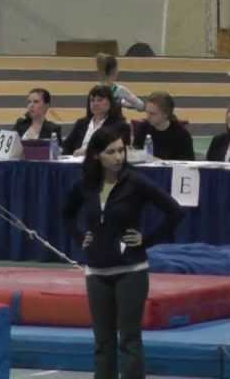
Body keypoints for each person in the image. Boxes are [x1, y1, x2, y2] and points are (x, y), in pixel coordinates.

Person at [62, 124, 183, 379]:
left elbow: (174, 211)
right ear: (96, 155)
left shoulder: (135, 181)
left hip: (131, 271)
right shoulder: (86, 184)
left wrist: (146, 239)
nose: (118, 157)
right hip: (96, 271)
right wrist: (80, 236)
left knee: (129, 339)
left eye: (121, 151)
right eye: (111, 152)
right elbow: (67, 215)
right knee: (103, 342)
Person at [62, 84, 131, 157]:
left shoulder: (120, 126)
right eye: (92, 100)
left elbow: (116, 151)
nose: (95, 104)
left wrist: (88, 152)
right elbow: (66, 146)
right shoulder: (81, 123)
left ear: (110, 102)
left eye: (99, 100)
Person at [131, 91, 194, 161]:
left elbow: (188, 163)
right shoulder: (143, 128)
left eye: (152, 114)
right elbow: (135, 154)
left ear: (165, 114)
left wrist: (157, 161)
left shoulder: (182, 135)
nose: (148, 117)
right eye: (147, 112)